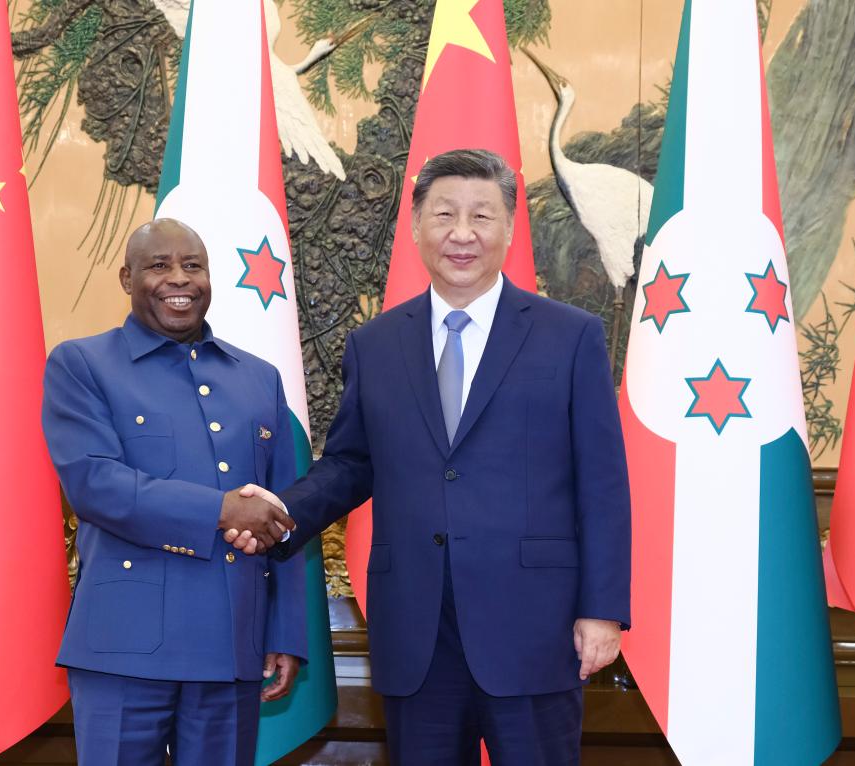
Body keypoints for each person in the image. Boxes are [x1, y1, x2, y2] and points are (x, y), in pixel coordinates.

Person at [230, 149, 631, 765]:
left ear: (509, 227)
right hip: (417, 627)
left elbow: (602, 484)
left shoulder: (570, 336)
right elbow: (352, 463)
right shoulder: (376, 344)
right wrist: (282, 509)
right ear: (417, 226)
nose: (462, 234)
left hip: (534, 625)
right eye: (444, 214)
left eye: (481, 216)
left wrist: (601, 611)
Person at [41, 218, 305, 766]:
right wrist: (221, 509)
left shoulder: (258, 377)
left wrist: (285, 632)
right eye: (159, 265)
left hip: (232, 644)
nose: (178, 279)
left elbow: (285, 514)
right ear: (126, 277)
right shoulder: (82, 364)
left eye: (193, 266)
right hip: (123, 646)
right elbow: (95, 484)